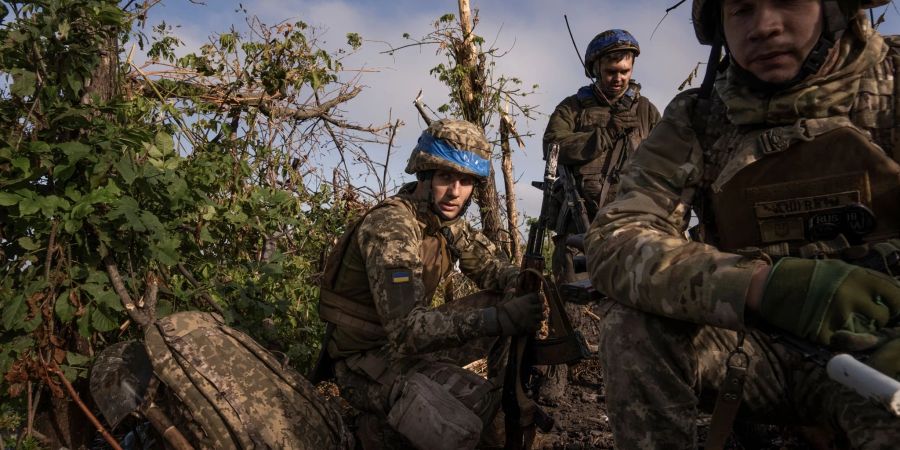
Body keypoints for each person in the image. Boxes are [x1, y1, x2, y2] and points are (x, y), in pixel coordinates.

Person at [585, 0, 900, 448]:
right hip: (756, 348)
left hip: (879, 354)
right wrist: (758, 286)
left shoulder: (892, 81)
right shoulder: (699, 116)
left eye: (788, 1)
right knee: (632, 326)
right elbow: (616, 238)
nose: (764, 27)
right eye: (742, 10)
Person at [315, 119, 543, 450]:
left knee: (497, 394)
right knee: (469, 418)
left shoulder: (444, 222)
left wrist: (522, 283)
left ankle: (493, 393)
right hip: (364, 362)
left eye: (465, 181)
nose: (455, 192)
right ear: (424, 175)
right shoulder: (392, 227)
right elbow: (409, 330)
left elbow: (493, 268)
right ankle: (376, 432)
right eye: (446, 177)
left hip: (406, 347)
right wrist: (500, 318)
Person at [543, 29, 660, 286]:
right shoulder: (571, 108)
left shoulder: (647, 112)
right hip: (578, 231)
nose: (618, 78)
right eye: (611, 72)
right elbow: (552, 147)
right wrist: (604, 135)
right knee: (575, 312)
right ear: (595, 69)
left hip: (635, 231)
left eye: (625, 71)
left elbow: (667, 164)